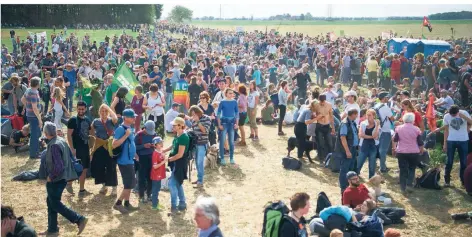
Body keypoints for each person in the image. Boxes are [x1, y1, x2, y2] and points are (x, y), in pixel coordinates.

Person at [41, 122, 88, 236]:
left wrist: (50, 177)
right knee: (51, 202)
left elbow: (58, 166)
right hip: (63, 178)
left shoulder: (54, 146)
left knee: (55, 203)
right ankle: (52, 229)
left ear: (46, 133)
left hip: (56, 180)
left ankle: (79, 219)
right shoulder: (61, 141)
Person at [429, 105, 472, 187]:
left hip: (463, 140)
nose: (453, 116)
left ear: (458, 111)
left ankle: (463, 181)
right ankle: (447, 181)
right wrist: (445, 143)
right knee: (449, 161)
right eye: (451, 114)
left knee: (463, 162)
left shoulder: (464, 113)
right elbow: (446, 129)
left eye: (454, 114)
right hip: (451, 140)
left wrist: (464, 117)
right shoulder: (446, 116)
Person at [112, 109, 139, 214]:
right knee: (130, 184)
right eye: (132, 117)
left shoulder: (129, 128)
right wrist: (126, 135)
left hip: (129, 159)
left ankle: (127, 204)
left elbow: (130, 142)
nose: (134, 118)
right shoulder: (120, 129)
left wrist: (135, 153)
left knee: (130, 183)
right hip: (124, 161)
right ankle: (118, 203)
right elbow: (114, 144)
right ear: (125, 118)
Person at [392, 112, 424, 194]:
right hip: (413, 152)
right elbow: (420, 142)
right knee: (412, 168)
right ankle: (409, 184)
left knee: (403, 169)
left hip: (402, 152)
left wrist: (394, 148)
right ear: (413, 120)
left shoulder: (398, 128)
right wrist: (421, 149)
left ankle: (403, 187)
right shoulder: (416, 129)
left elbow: (395, 139)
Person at [162, 117, 189, 214]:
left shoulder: (184, 137)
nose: (172, 126)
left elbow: (180, 154)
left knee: (172, 184)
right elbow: (173, 146)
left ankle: (174, 207)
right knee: (178, 183)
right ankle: (182, 203)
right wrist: (163, 151)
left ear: (180, 126)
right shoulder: (177, 135)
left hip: (180, 164)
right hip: (175, 163)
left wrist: (168, 159)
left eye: (174, 125)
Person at [90, 104, 118, 196]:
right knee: (100, 166)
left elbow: (115, 118)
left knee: (111, 166)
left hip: (109, 146)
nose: (104, 113)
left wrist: (108, 108)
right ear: (99, 112)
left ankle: (114, 187)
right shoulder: (96, 121)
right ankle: (104, 185)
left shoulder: (111, 121)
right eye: (102, 111)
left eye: (106, 111)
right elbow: (91, 131)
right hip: (99, 146)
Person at [66, 101, 91, 197]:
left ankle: (82, 190)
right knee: (75, 168)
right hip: (76, 149)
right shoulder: (72, 120)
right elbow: (69, 135)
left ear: (85, 109)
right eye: (79, 109)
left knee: (84, 169)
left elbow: (89, 134)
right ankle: (69, 184)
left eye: (82, 109)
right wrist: (72, 148)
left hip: (85, 148)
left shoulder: (88, 120)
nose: (81, 111)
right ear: (77, 109)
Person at [337, 109, 360, 193]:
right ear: (353, 114)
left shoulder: (352, 122)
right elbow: (343, 138)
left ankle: (350, 185)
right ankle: (343, 188)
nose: (357, 116)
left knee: (351, 168)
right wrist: (347, 151)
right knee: (344, 169)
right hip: (347, 149)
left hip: (353, 148)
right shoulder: (345, 124)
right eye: (356, 114)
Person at [189, 105, 212, 188]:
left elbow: (205, 131)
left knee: (200, 162)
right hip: (195, 144)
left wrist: (198, 121)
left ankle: (200, 181)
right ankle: (199, 179)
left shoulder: (207, 118)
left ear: (198, 112)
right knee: (196, 162)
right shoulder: (193, 120)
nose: (193, 116)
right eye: (192, 114)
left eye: (194, 114)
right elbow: (193, 130)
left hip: (203, 144)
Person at [216, 88, 239, 166]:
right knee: (222, 141)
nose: (231, 94)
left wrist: (237, 123)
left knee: (231, 142)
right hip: (224, 122)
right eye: (229, 93)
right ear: (226, 94)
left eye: (232, 93)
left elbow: (237, 113)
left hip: (232, 123)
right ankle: (222, 158)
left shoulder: (234, 102)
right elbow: (218, 114)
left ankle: (231, 157)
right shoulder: (222, 102)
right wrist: (219, 124)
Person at [21, 77, 42, 159]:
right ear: (37, 84)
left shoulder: (28, 90)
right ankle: (34, 154)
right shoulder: (33, 93)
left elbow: (22, 99)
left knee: (36, 134)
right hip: (34, 116)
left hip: (29, 115)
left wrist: (27, 107)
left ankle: (35, 151)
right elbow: (35, 108)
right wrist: (39, 119)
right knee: (34, 135)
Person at [357, 109, 380, 178]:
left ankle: (371, 178)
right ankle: (355, 175)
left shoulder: (377, 124)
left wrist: (377, 126)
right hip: (364, 145)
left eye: (369, 115)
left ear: (374, 116)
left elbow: (376, 136)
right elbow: (361, 135)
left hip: (373, 146)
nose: (368, 116)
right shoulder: (363, 123)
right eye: (367, 115)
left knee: (372, 163)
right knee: (360, 162)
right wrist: (372, 137)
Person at [375, 92, 394, 173]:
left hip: (378, 129)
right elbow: (392, 118)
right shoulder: (385, 107)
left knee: (378, 148)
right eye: (387, 97)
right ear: (383, 98)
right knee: (383, 149)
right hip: (385, 130)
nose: (388, 98)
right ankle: (383, 167)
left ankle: (376, 163)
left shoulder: (376, 105)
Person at [315, 94, 336, 162]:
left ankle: (331, 157)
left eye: (323, 101)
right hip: (319, 125)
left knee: (330, 143)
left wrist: (333, 127)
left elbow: (331, 116)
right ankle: (321, 157)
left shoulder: (329, 105)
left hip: (327, 125)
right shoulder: (316, 105)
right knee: (320, 143)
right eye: (320, 101)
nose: (321, 103)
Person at [151, 136, 167, 210]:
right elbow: (155, 166)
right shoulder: (155, 154)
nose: (161, 144)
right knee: (155, 190)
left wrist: (164, 157)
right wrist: (163, 162)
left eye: (161, 142)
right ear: (155, 145)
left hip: (159, 174)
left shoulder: (160, 152)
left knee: (157, 189)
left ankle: (156, 203)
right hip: (156, 175)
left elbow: (161, 159)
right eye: (159, 143)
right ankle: (154, 205)